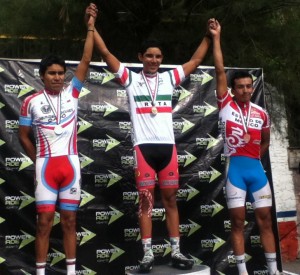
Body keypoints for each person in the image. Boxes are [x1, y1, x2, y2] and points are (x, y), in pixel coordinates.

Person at [92, 11, 212, 273]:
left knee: (170, 201)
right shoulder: (131, 79)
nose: (154, 60)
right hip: (143, 149)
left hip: (167, 148)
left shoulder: (169, 78)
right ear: (140, 57)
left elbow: (197, 59)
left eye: (158, 56)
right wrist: (91, 27)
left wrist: (209, 36)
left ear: (162, 59)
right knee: (146, 201)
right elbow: (106, 54)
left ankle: (177, 251)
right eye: (149, 55)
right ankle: (147, 254)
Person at [18, 4, 98, 275]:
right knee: (43, 222)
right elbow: (23, 136)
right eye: (51, 73)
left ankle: (72, 272)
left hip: (71, 166)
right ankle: (40, 272)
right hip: (46, 167)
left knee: (69, 222)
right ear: (42, 76)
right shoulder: (30, 101)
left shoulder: (72, 93)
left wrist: (90, 25)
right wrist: (38, 159)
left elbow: (86, 60)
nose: (57, 77)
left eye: (60, 73)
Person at [208, 19, 281, 275]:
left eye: (249, 86)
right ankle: (242, 272)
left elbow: (266, 141)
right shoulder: (225, 103)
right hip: (235, 171)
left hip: (256, 171)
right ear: (233, 89)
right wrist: (217, 37)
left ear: (253, 87)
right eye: (240, 87)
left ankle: (273, 271)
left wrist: (256, 160)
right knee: (237, 223)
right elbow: (219, 69)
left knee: (265, 222)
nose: (246, 90)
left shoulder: (261, 113)